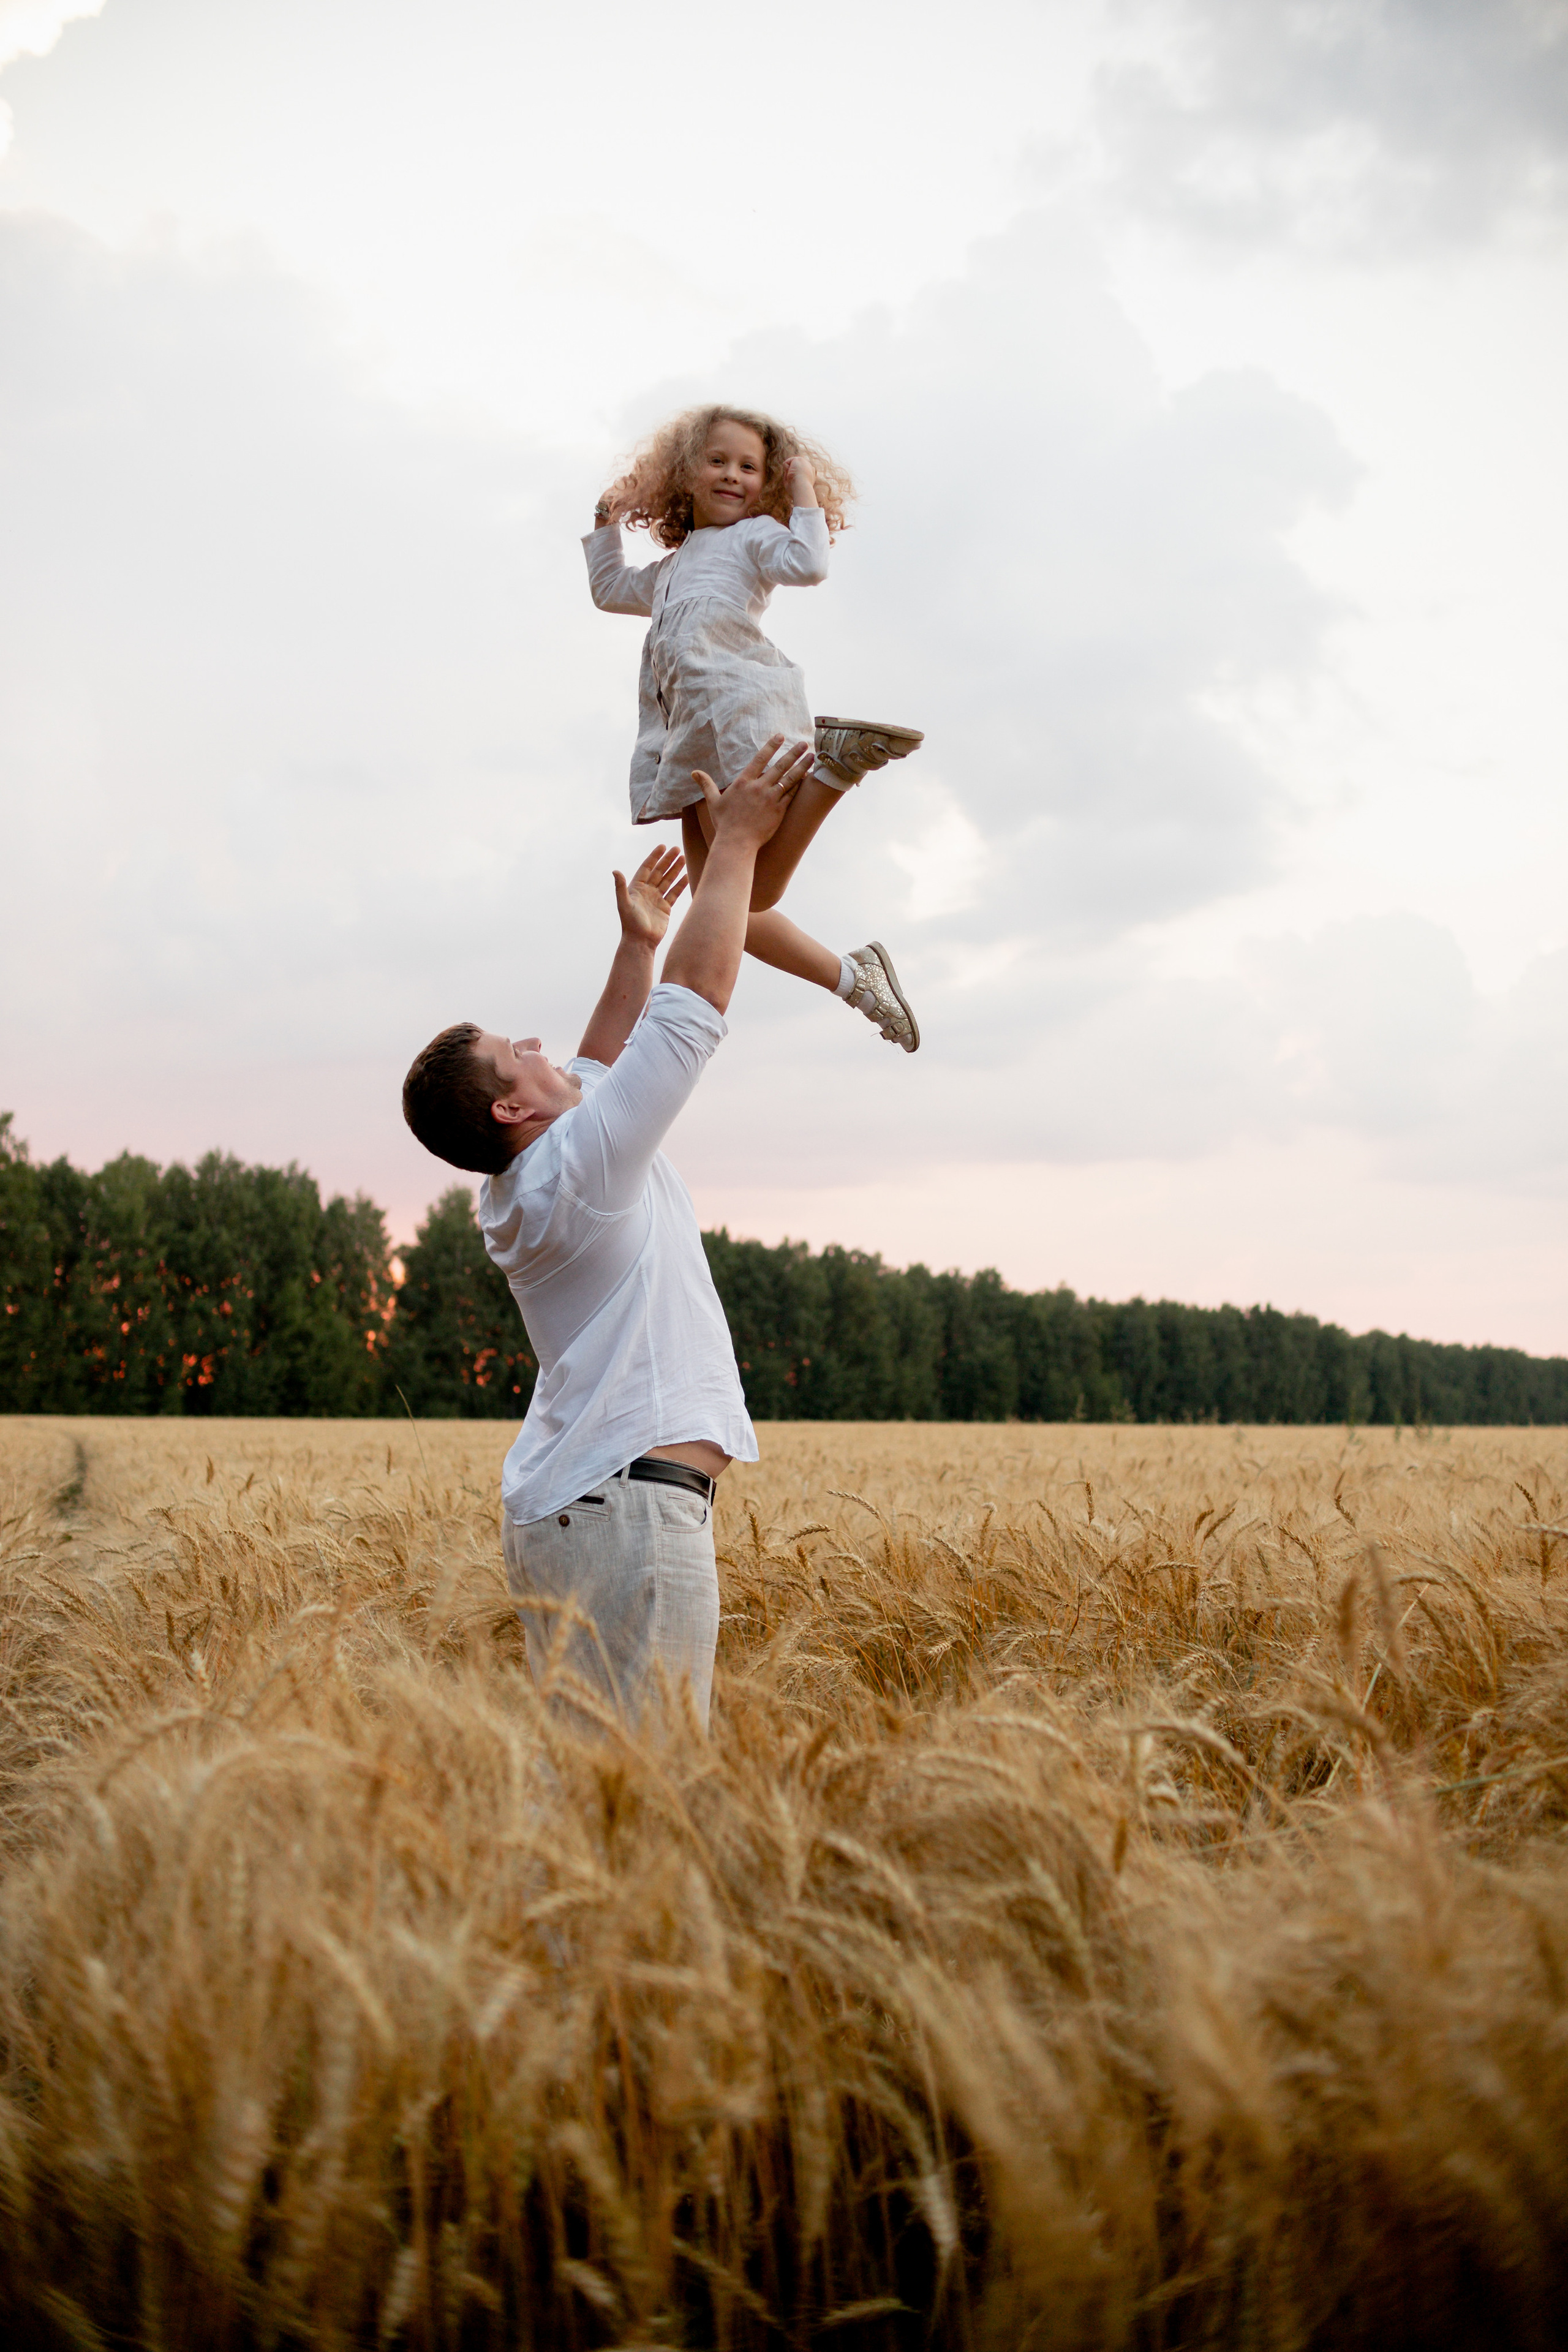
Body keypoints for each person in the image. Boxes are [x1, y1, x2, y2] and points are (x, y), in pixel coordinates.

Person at [401, 737, 816, 1735]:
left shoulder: (532, 1182)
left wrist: (635, 943)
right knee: (649, 1807)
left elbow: (597, 1061)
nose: (540, 1047)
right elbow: (689, 1013)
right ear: (509, 1110)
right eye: (517, 1053)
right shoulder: (578, 1166)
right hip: (630, 1513)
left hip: (580, 1512)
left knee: (592, 1799)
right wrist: (738, 848)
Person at [586, 403, 923, 1054]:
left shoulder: (752, 539)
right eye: (717, 461)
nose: (732, 475)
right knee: (728, 904)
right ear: (684, 474)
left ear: (765, 484)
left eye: (749, 467)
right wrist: (607, 515)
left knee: (750, 887)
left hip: (735, 702)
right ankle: (856, 979)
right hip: (687, 734)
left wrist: (801, 496)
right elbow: (607, 589)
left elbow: (808, 563)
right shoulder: (671, 569)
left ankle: (834, 768)